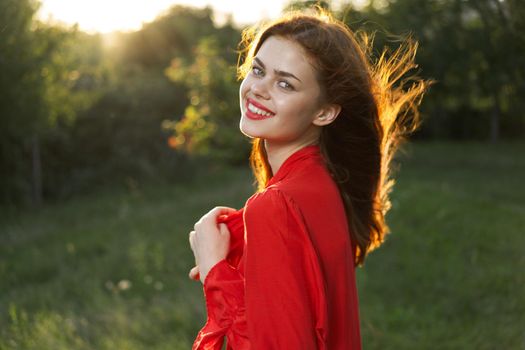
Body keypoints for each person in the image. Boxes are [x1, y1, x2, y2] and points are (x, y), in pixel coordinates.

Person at [187, 8, 430, 350]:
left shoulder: (278, 206)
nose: (259, 89)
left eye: (285, 83)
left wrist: (215, 269)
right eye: (258, 70)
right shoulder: (324, 183)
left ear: (325, 111)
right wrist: (245, 244)